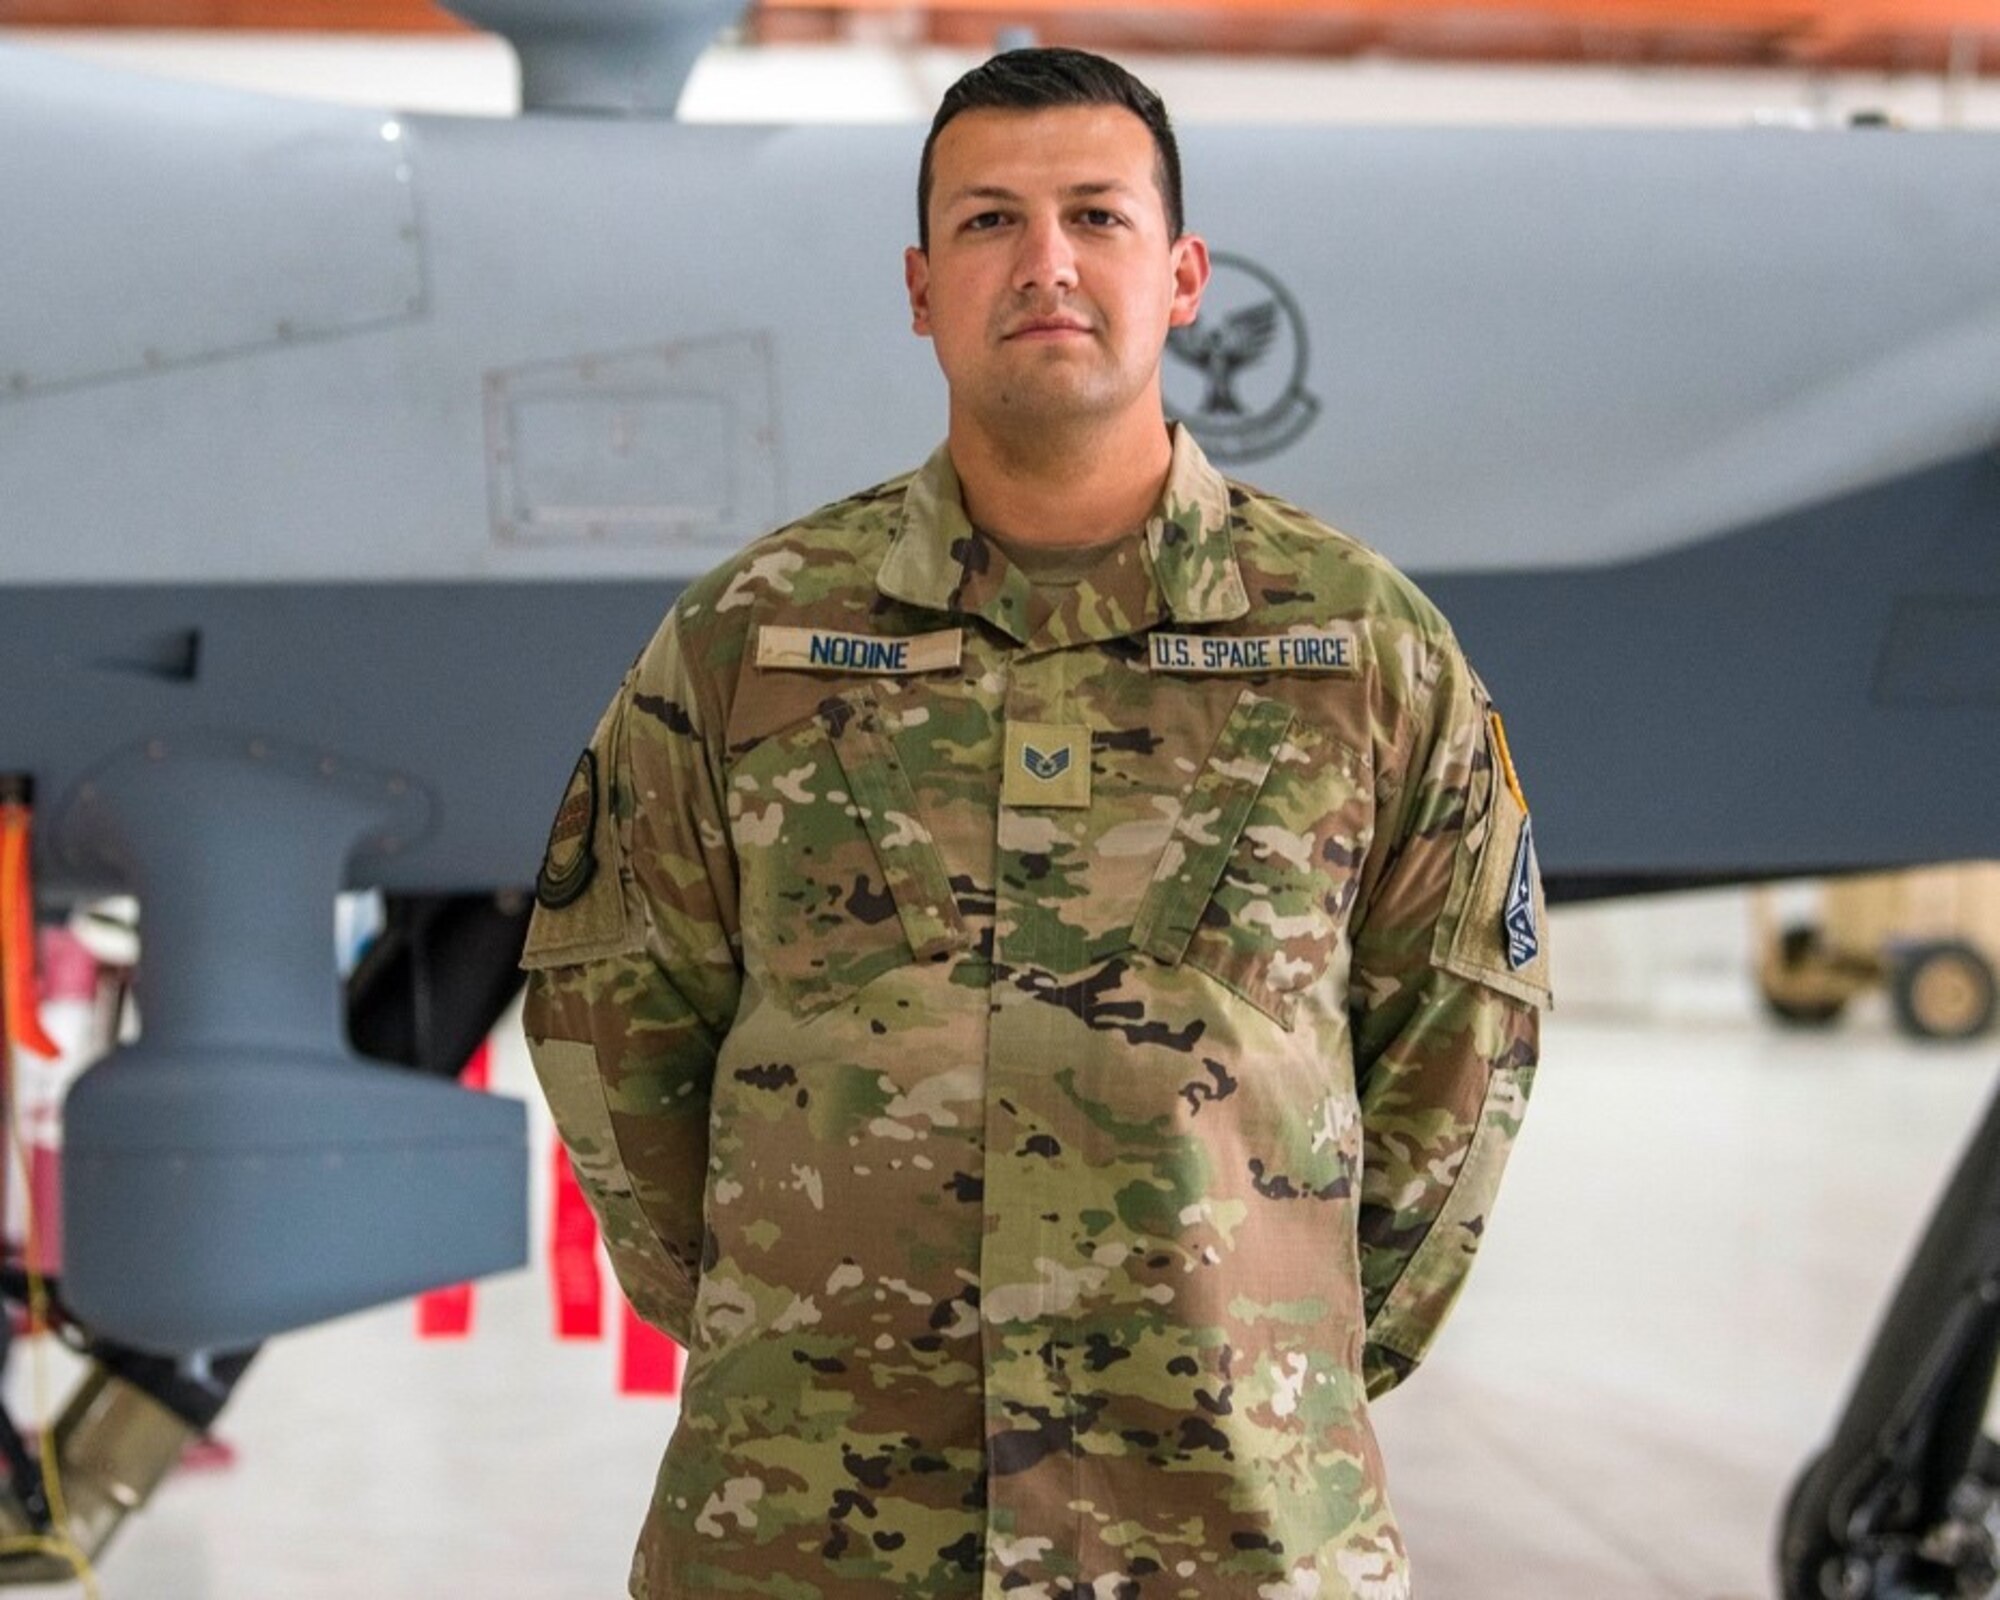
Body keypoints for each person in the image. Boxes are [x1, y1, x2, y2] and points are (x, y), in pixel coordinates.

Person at [521, 46, 1548, 1600]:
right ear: (923, 287)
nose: (1047, 262)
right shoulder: (756, 637)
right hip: (814, 1524)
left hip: (1229, 1526)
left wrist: (1291, 1340)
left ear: (1184, 273)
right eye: (991, 222)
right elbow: (615, 1002)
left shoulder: (1359, 650)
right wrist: (779, 1303)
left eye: (1096, 216)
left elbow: (1462, 1038)